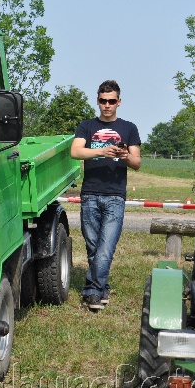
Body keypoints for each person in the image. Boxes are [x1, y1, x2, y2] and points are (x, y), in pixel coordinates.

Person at [71, 80, 141, 310]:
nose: (107, 105)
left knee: (105, 248)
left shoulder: (129, 128)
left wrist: (123, 156)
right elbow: (75, 151)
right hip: (90, 194)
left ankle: (91, 291)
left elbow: (137, 162)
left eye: (112, 101)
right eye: (103, 101)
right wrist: (102, 150)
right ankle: (102, 288)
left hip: (115, 196)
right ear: (98, 100)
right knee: (93, 248)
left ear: (119, 102)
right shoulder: (87, 126)